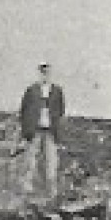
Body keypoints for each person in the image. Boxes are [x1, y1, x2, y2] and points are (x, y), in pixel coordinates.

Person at [19, 62, 67, 193]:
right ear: (39, 73)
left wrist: (58, 130)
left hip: (51, 131)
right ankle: (27, 189)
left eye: (48, 73)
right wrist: (25, 131)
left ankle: (51, 190)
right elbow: (24, 111)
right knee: (30, 160)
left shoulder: (57, 91)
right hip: (34, 130)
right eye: (43, 73)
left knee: (51, 161)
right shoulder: (31, 90)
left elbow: (61, 112)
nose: (45, 76)